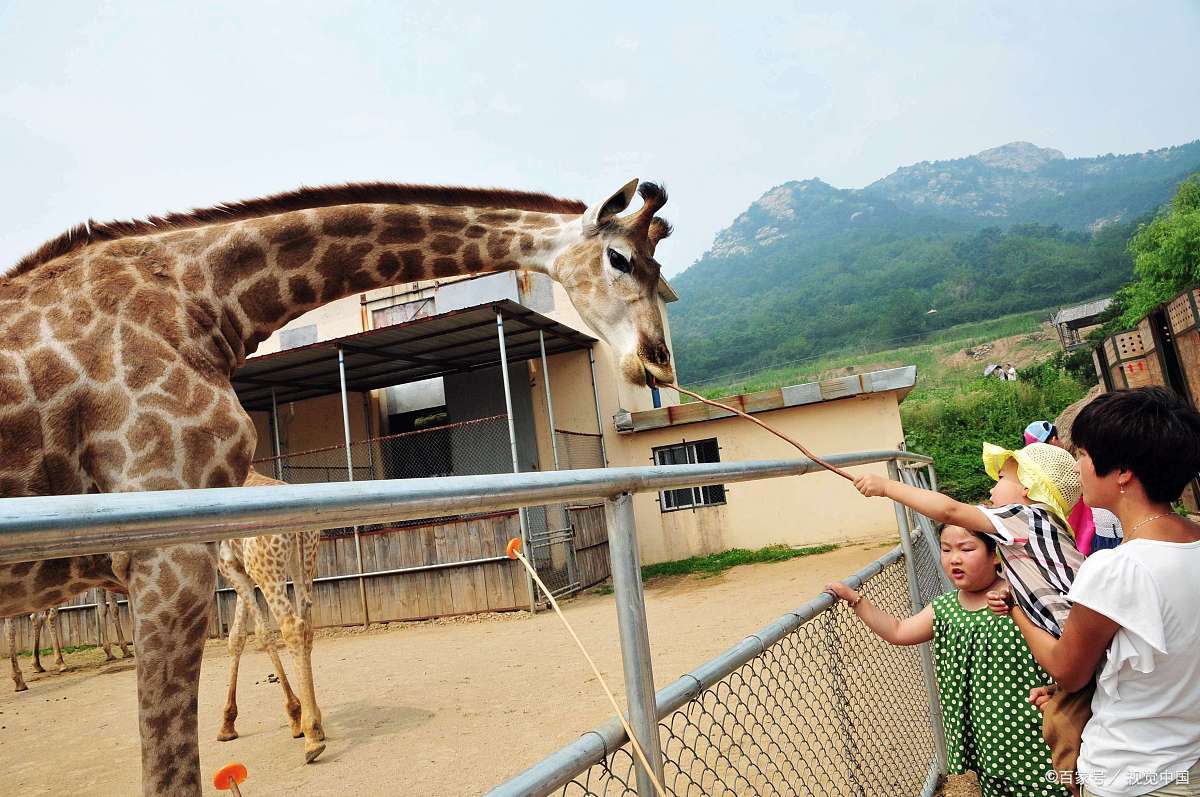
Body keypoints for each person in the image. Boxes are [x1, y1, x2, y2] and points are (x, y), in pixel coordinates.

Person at [994, 387, 1200, 797]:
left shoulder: (1114, 569)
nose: (1078, 467)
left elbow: (1068, 670)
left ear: (1122, 471)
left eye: (1083, 456)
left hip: (1130, 773)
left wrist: (1015, 609)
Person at [854, 441, 1088, 783]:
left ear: (1027, 489)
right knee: (1073, 758)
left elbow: (950, 511)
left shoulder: (1026, 517)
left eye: (1002, 477)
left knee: (1071, 765)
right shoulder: (1046, 530)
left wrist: (887, 486)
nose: (992, 488)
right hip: (1078, 656)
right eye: (947, 549)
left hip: (1073, 658)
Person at [826, 525, 1069, 797]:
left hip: (1036, 735)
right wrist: (855, 600)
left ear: (995, 555)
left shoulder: (1020, 597)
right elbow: (898, 631)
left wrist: (1014, 605)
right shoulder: (945, 608)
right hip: (987, 741)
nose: (955, 558)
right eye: (946, 549)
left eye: (967, 549)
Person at [1025, 420, 1124, 555]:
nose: (1076, 467)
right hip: (1100, 531)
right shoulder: (1067, 467)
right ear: (1054, 439)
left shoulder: (1030, 472)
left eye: (1083, 455)